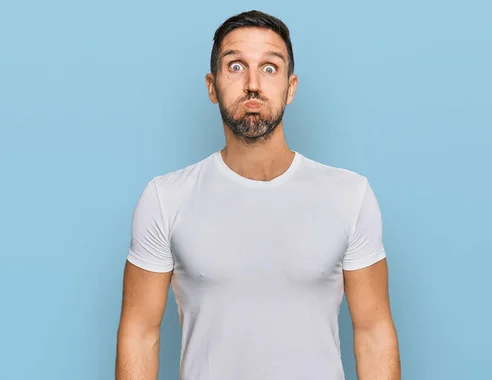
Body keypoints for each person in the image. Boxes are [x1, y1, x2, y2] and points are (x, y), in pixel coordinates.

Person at [115, 9, 401, 380]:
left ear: (290, 86)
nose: (253, 83)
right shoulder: (165, 198)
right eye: (235, 66)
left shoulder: (350, 195)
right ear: (212, 85)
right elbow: (139, 333)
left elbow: (373, 333)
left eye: (270, 68)